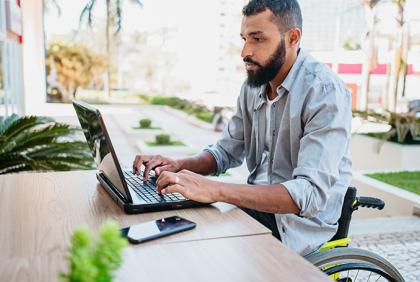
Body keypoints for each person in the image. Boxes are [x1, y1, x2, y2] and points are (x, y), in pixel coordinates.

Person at [132, 0, 352, 256]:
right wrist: (179, 166)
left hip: (299, 225)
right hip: (255, 209)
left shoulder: (324, 93)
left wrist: (215, 190)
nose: (245, 51)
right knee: (170, 220)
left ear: (292, 38)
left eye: (258, 39)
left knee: (195, 245)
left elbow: (309, 194)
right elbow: (225, 152)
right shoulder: (254, 86)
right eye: (244, 38)